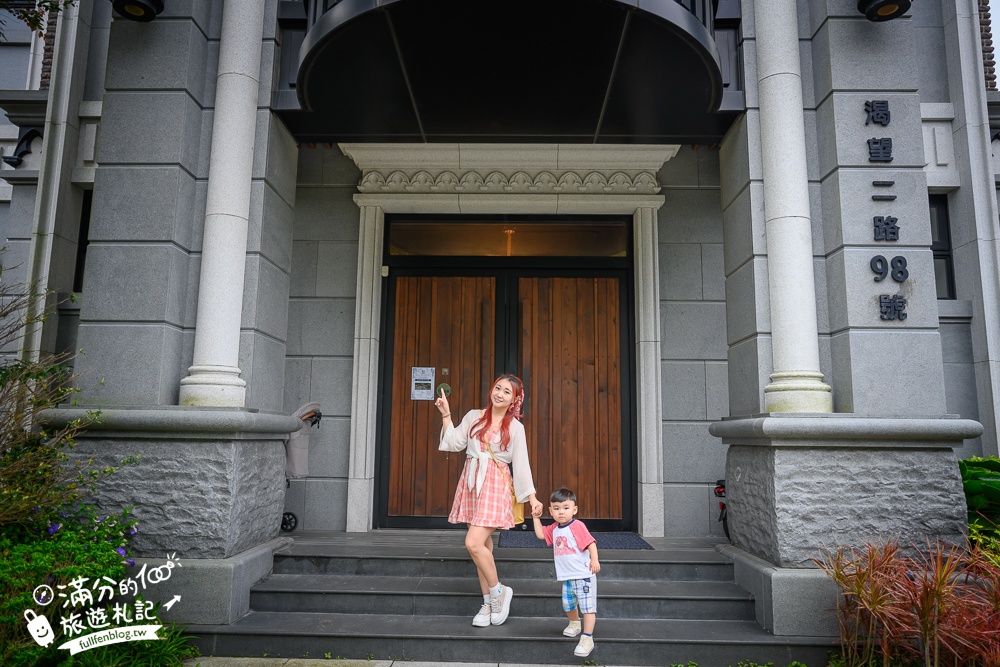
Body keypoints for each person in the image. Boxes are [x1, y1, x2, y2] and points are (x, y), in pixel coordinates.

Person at [434, 374, 544, 627]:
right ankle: (488, 603)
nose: (500, 394)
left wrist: (532, 498)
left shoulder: (516, 428)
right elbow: (454, 443)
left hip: (496, 485)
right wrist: (446, 414)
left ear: (515, 399)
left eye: (507, 391)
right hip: (473, 482)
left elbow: (521, 465)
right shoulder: (474, 416)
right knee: (482, 548)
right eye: (497, 388)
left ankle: (498, 592)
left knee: (473, 543)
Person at [532, 487, 600, 658]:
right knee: (568, 605)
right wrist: (535, 517)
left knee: (587, 608)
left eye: (566, 508)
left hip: (583, 576)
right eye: (556, 508)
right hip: (567, 578)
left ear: (574, 509)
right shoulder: (555, 528)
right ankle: (575, 623)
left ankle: (587, 637)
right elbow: (540, 534)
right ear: (551, 511)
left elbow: (591, 543)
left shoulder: (577, 526)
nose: (561, 512)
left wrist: (594, 560)